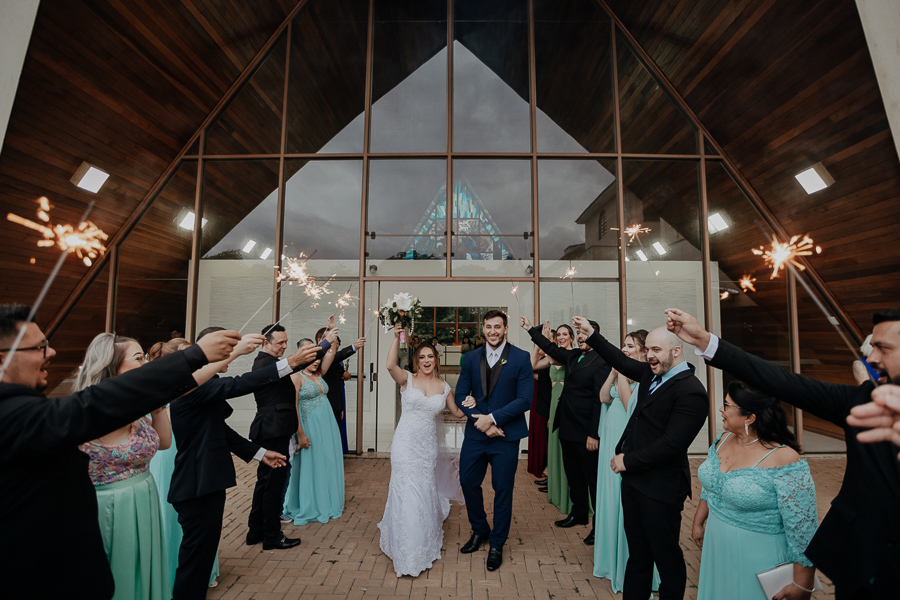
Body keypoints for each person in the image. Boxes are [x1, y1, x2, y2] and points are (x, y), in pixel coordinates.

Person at [0, 303, 239, 600]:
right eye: (38, 347)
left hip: (138, 505)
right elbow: (97, 403)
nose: (51, 353)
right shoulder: (14, 414)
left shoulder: (27, 407)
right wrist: (194, 356)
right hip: (93, 529)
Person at [666, 307, 900, 599]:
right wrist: (704, 340)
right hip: (860, 566)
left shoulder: (784, 459)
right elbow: (779, 381)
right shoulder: (862, 400)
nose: (872, 358)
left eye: (883, 348)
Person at [168, 328, 318, 599]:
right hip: (196, 483)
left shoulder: (203, 385)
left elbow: (221, 431)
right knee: (194, 558)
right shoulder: (189, 388)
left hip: (209, 482)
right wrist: (290, 363)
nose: (226, 357)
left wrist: (261, 453)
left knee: (202, 556)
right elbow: (241, 383)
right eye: (220, 351)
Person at [573, 315, 708, 600]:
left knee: (666, 557)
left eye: (656, 350)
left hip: (662, 488)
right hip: (634, 483)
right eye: (647, 350)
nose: (649, 355)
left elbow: (671, 444)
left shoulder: (691, 391)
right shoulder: (651, 374)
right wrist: (591, 335)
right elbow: (621, 362)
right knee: (638, 555)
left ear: (676, 350)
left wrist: (627, 460)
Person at [693, 382, 818, 600]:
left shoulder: (784, 458)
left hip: (759, 556)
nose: (721, 410)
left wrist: (802, 584)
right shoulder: (722, 441)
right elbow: (712, 486)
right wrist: (698, 522)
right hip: (716, 546)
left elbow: (803, 528)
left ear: (749, 418)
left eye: (726, 405)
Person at [75, 334, 174, 600]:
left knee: (145, 570)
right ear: (111, 367)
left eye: (146, 357)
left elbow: (163, 442)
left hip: (145, 497)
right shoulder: (95, 407)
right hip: (111, 506)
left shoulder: (138, 404)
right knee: (120, 576)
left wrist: (157, 407)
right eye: (138, 358)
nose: (146, 364)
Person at [378, 324, 466, 577]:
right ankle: (405, 545)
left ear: (436, 360)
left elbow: (457, 412)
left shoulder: (444, 387)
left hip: (426, 449)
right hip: (404, 445)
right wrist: (396, 338)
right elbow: (389, 366)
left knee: (423, 489)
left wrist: (473, 404)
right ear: (416, 361)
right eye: (422, 357)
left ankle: (421, 537)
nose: (426, 361)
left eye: (430, 357)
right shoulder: (407, 379)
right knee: (405, 490)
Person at [454, 310, 533, 571]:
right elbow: (461, 395)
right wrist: (483, 422)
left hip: (505, 437)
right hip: (478, 435)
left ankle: (497, 543)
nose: (493, 331)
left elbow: (524, 400)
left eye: (497, 327)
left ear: (506, 328)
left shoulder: (521, 358)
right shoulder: (471, 357)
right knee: (467, 481)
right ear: (483, 328)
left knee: (502, 490)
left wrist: (493, 419)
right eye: (488, 327)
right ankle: (480, 530)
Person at [246, 324, 335, 550]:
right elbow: (298, 362)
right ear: (265, 343)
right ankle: (272, 536)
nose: (285, 346)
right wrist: (324, 342)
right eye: (280, 343)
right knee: (273, 486)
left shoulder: (270, 363)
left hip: (272, 429)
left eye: (286, 341)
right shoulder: (265, 364)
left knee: (264, 484)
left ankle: (255, 531)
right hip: (273, 430)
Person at [146, 338, 222, 593]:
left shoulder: (196, 384)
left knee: (193, 525)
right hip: (169, 453)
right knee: (173, 515)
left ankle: (196, 571)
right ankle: (169, 573)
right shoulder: (165, 386)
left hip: (188, 451)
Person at [525, 316, 609, 544]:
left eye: (584, 333)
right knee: (574, 475)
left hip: (586, 432)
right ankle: (579, 513)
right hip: (568, 427)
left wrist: (594, 434)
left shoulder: (602, 361)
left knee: (592, 480)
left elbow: (599, 401)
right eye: (578, 333)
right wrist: (532, 330)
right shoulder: (573, 355)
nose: (580, 337)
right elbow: (550, 347)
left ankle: (598, 526)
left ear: (594, 336)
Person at [593, 329, 659, 593]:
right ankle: (610, 560)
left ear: (643, 350)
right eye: (623, 345)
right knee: (609, 500)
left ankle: (628, 564)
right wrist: (613, 371)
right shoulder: (621, 371)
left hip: (626, 444)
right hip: (610, 441)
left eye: (629, 346)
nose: (624, 349)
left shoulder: (644, 376)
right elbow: (602, 397)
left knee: (624, 501)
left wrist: (620, 373)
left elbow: (628, 401)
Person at [283, 338, 345, 525]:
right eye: (311, 357)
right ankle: (310, 503)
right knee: (312, 463)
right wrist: (299, 433)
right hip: (309, 426)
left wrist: (332, 335)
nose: (316, 361)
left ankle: (327, 499)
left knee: (327, 461)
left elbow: (332, 353)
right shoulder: (295, 377)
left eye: (317, 356)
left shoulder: (318, 374)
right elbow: (293, 406)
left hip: (328, 427)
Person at [527, 327, 552, 482]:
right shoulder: (540, 353)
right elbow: (531, 367)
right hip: (538, 395)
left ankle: (548, 468)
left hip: (549, 395)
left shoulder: (554, 355)